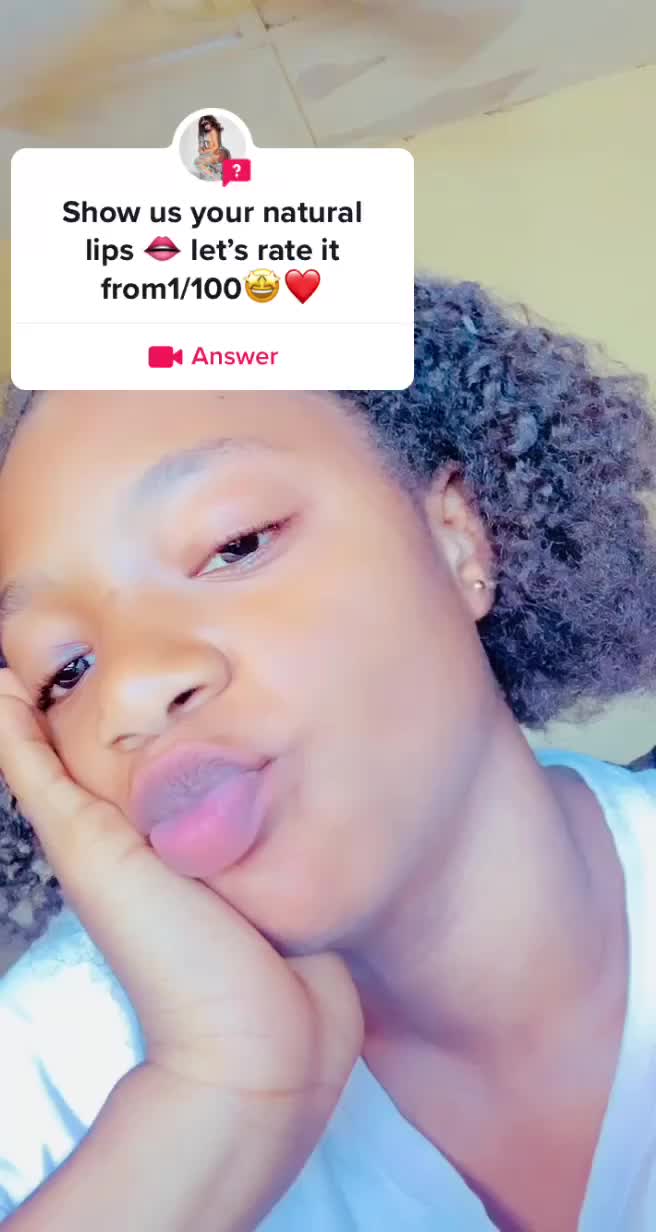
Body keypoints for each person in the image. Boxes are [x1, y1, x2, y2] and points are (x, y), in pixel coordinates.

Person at [0, 277, 656, 1231]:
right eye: (65, 671)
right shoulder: (46, 1076)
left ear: (458, 536)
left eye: (235, 544)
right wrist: (216, 1099)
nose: (131, 689)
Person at [193, 114, 231, 183]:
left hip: (218, 152)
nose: (205, 126)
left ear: (211, 121)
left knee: (197, 162)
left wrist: (204, 151)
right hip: (213, 151)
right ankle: (217, 173)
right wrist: (201, 149)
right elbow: (209, 145)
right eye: (203, 125)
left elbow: (216, 146)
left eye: (206, 123)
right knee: (199, 161)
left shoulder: (213, 130)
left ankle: (218, 177)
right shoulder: (208, 131)